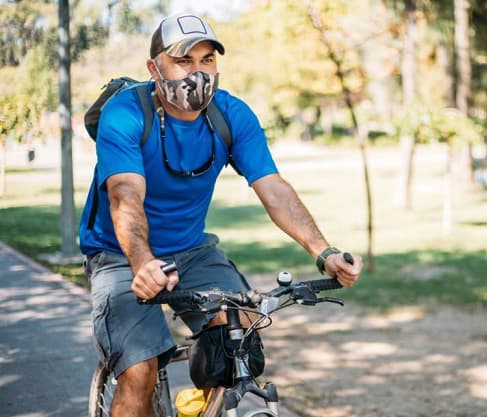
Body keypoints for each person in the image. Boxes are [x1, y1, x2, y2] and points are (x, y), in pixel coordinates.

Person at [78, 13, 363, 417]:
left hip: (191, 250)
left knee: (239, 339)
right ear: (153, 67)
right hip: (120, 257)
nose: (198, 73)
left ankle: (200, 405)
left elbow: (274, 189)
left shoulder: (230, 115)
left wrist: (324, 252)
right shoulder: (126, 114)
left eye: (207, 60)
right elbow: (125, 196)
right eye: (184, 61)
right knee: (139, 371)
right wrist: (143, 264)